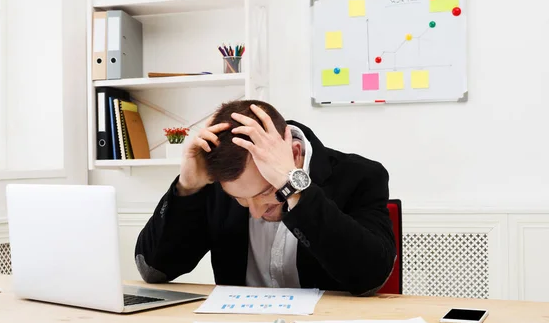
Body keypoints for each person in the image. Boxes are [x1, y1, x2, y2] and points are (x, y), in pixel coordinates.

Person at [134, 100, 396, 296]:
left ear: (294, 154)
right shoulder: (223, 180)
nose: (256, 213)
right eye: (241, 200)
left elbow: (371, 278)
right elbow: (154, 269)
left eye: (264, 193)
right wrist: (188, 187)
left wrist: (293, 186)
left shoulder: (361, 176)